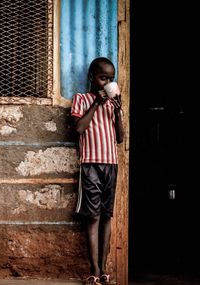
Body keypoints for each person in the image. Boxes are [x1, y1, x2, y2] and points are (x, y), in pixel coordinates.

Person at [70, 57, 124, 285]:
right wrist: (96, 104)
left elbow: (120, 138)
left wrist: (119, 112)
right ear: (92, 77)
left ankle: (103, 269)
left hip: (110, 164)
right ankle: (93, 269)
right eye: (103, 78)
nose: (107, 83)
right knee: (92, 217)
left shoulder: (112, 105)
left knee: (106, 216)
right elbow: (79, 128)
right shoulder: (81, 99)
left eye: (111, 79)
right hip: (91, 164)